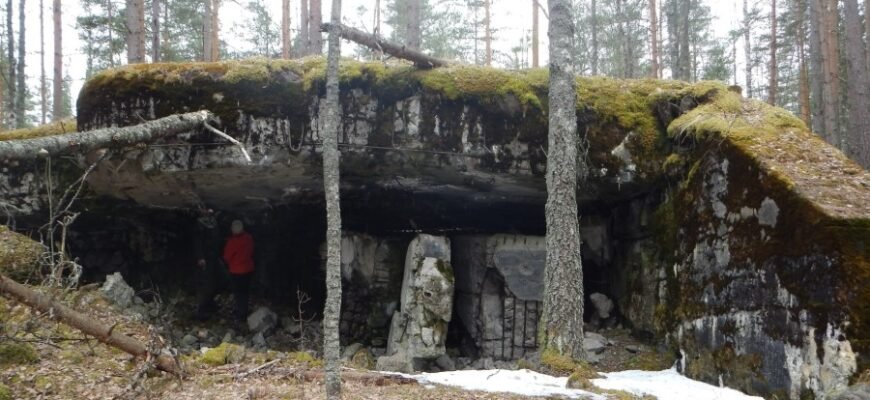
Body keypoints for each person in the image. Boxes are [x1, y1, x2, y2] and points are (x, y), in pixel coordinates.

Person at [223, 219, 255, 323]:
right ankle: (244, 310)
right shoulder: (249, 238)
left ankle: (241, 314)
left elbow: (226, 257)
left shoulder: (232, 242)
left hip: (236, 271)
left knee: (238, 293)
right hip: (248, 269)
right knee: (245, 292)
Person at [193, 208, 221, 321]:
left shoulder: (213, 223)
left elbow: (217, 240)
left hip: (213, 257)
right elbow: (197, 242)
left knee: (214, 281)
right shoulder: (199, 224)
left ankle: (210, 305)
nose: (209, 213)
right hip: (206, 258)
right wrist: (200, 257)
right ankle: (201, 310)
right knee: (205, 284)